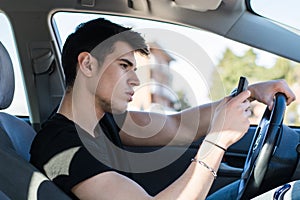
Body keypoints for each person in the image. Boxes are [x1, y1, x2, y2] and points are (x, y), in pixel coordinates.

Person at [30, 17, 296, 200]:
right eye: (124, 66)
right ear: (87, 64)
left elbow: (175, 126)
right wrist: (217, 141)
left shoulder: (105, 121)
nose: (135, 79)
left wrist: (251, 94)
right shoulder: (61, 148)